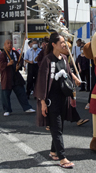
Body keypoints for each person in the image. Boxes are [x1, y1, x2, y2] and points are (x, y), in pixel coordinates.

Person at [35, 32, 82, 168]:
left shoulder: (64, 58)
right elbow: (42, 82)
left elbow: (68, 71)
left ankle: (53, 151)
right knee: (56, 127)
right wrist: (43, 102)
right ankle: (62, 158)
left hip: (63, 97)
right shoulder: (47, 60)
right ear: (54, 44)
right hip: (51, 99)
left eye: (64, 42)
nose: (64, 44)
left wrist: (75, 78)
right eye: (61, 42)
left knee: (59, 126)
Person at [0, 39, 35, 116]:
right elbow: (1, 64)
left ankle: (27, 107)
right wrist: (8, 64)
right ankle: (7, 110)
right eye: (8, 43)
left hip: (16, 76)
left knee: (21, 92)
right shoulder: (2, 54)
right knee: (5, 94)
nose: (9, 44)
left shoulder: (15, 53)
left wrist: (19, 65)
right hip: (7, 77)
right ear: (4, 45)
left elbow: (20, 60)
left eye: (11, 43)